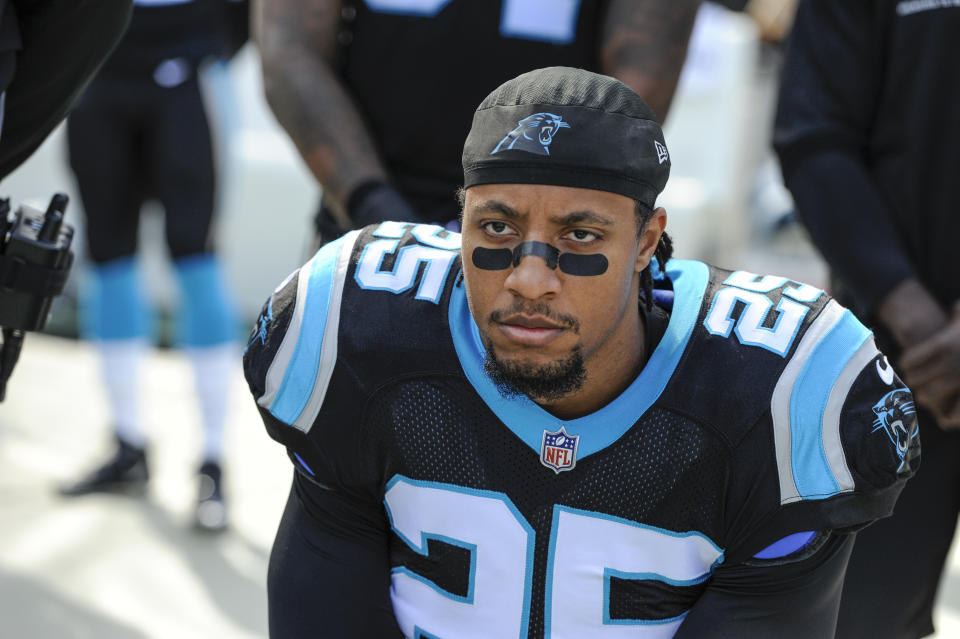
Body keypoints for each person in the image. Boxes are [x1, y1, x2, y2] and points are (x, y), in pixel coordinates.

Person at [243, 66, 919, 637]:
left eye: (581, 235)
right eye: (497, 225)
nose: (529, 277)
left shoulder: (778, 393)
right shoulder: (361, 329)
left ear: (647, 240)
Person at [773, 2, 960, 637]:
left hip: (919, 348)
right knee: (861, 621)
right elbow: (814, 134)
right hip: (897, 363)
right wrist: (912, 316)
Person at [254, 0, 702, 242]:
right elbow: (287, 53)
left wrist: (534, 229)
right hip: (362, 225)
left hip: (544, 247)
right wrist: (376, 209)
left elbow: (633, 92)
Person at [58, 0, 248, 533]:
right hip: (98, 70)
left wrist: (205, 49)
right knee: (108, 259)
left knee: (196, 257)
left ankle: (212, 462)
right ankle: (126, 443)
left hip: (184, 70)